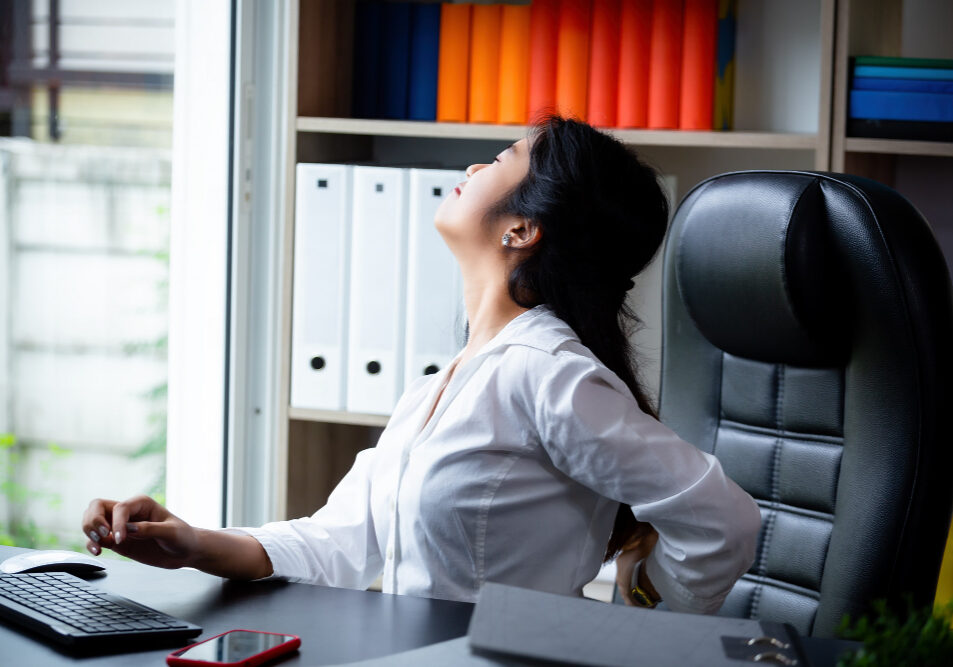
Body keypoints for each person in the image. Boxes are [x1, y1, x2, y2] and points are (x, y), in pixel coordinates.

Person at [82, 116, 760, 614]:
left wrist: (637, 624)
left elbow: (721, 521)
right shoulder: (444, 384)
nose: (472, 169)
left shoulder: (545, 372)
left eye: (500, 158)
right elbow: (340, 542)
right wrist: (189, 542)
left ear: (521, 230)